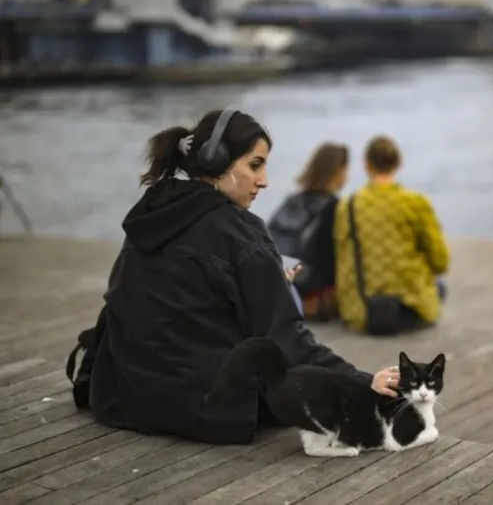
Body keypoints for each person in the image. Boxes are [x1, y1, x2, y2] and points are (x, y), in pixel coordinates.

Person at [77, 109, 399, 445]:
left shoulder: (152, 212)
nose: (264, 180)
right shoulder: (241, 233)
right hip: (206, 408)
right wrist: (363, 383)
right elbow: (286, 340)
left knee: (273, 293)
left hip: (126, 397)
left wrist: (270, 280)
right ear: (217, 162)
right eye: (255, 165)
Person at [333, 135, 450, 334]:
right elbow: (440, 261)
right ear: (399, 163)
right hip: (411, 310)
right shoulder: (415, 203)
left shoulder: (348, 204)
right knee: (440, 287)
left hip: (362, 311)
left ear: (367, 165)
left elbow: (340, 253)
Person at [268, 142, 349, 321]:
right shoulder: (334, 206)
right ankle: (314, 302)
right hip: (307, 282)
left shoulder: (292, 201)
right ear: (339, 172)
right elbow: (334, 256)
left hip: (278, 273)